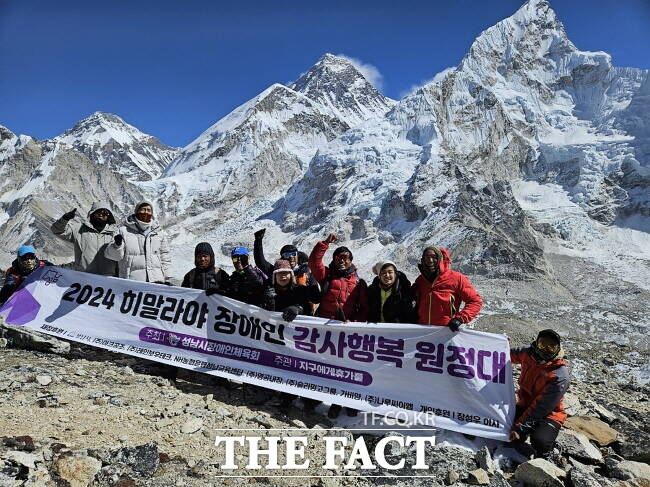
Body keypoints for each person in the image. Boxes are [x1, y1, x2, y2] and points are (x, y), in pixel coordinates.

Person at [262, 259, 321, 409]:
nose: (283, 277)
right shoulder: (268, 291)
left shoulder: (299, 290)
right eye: (280, 274)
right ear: (274, 276)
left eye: (286, 273)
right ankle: (284, 397)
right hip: (276, 340)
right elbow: (259, 313)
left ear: (291, 275)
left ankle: (308, 399)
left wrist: (298, 308)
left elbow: (312, 304)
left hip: (298, 340)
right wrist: (269, 303)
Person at [509, 329, 570, 458]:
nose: (546, 349)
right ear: (536, 343)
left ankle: (551, 450)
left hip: (549, 414)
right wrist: (500, 344)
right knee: (505, 428)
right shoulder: (527, 353)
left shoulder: (560, 375)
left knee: (540, 442)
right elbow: (505, 354)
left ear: (558, 349)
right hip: (525, 404)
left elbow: (541, 407)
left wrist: (521, 427)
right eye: (542, 344)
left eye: (551, 347)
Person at [412, 246, 482, 330]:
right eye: (427, 257)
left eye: (434, 257)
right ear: (423, 260)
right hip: (422, 330)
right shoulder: (421, 280)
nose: (430, 260)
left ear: (440, 259)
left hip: (446, 331)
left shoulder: (456, 278)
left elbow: (475, 301)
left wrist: (460, 318)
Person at [104, 201, 171, 283]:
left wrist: (167, 277)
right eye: (143, 209)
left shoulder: (158, 232)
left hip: (156, 280)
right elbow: (113, 256)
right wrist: (117, 246)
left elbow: (165, 256)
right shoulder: (123, 231)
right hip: (131, 281)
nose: (146, 212)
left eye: (149, 210)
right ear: (136, 212)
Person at [308, 233, 368, 322]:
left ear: (351, 261)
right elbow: (314, 262)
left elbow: (364, 308)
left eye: (345, 258)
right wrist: (325, 243)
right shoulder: (326, 275)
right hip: (323, 324)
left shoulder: (359, 283)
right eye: (338, 258)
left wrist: (354, 322)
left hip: (346, 327)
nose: (342, 260)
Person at [51, 202, 118, 276]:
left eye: (105, 213)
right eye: (98, 212)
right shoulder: (79, 229)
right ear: (92, 213)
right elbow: (57, 231)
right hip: (84, 277)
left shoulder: (115, 233)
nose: (101, 215)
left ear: (109, 216)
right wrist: (65, 219)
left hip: (107, 279)